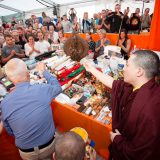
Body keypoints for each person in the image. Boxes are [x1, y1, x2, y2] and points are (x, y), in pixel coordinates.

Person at [83, 50, 160, 160]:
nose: (123, 69)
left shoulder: (151, 109)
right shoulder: (138, 85)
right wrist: (91, 69)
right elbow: (114, 84)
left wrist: (117, 139)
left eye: (127, 65)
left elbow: (141, 153)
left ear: (139, 72)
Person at [0, 58, 62, 160]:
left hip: (26, 152)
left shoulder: (4, 103)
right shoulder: (41, 89)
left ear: (10, 80)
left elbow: (10, 131)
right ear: (28, 73)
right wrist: (44, 71)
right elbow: (57, 87)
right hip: (49, 145)